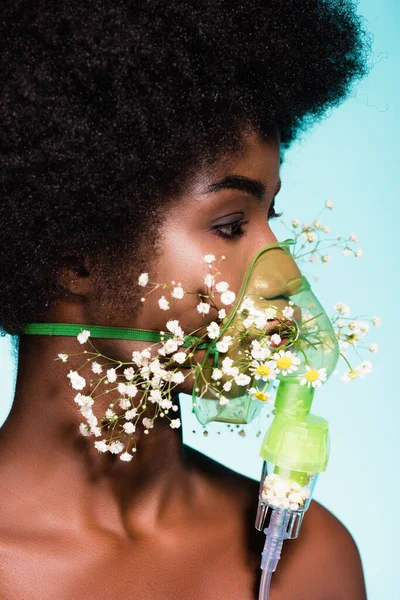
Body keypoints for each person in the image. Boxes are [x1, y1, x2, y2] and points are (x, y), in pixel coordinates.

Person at [0, 1, 369, 598]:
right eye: (229, 224)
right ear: (76, 256)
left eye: (269, 215)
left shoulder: (313, 562)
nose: (281, 275)